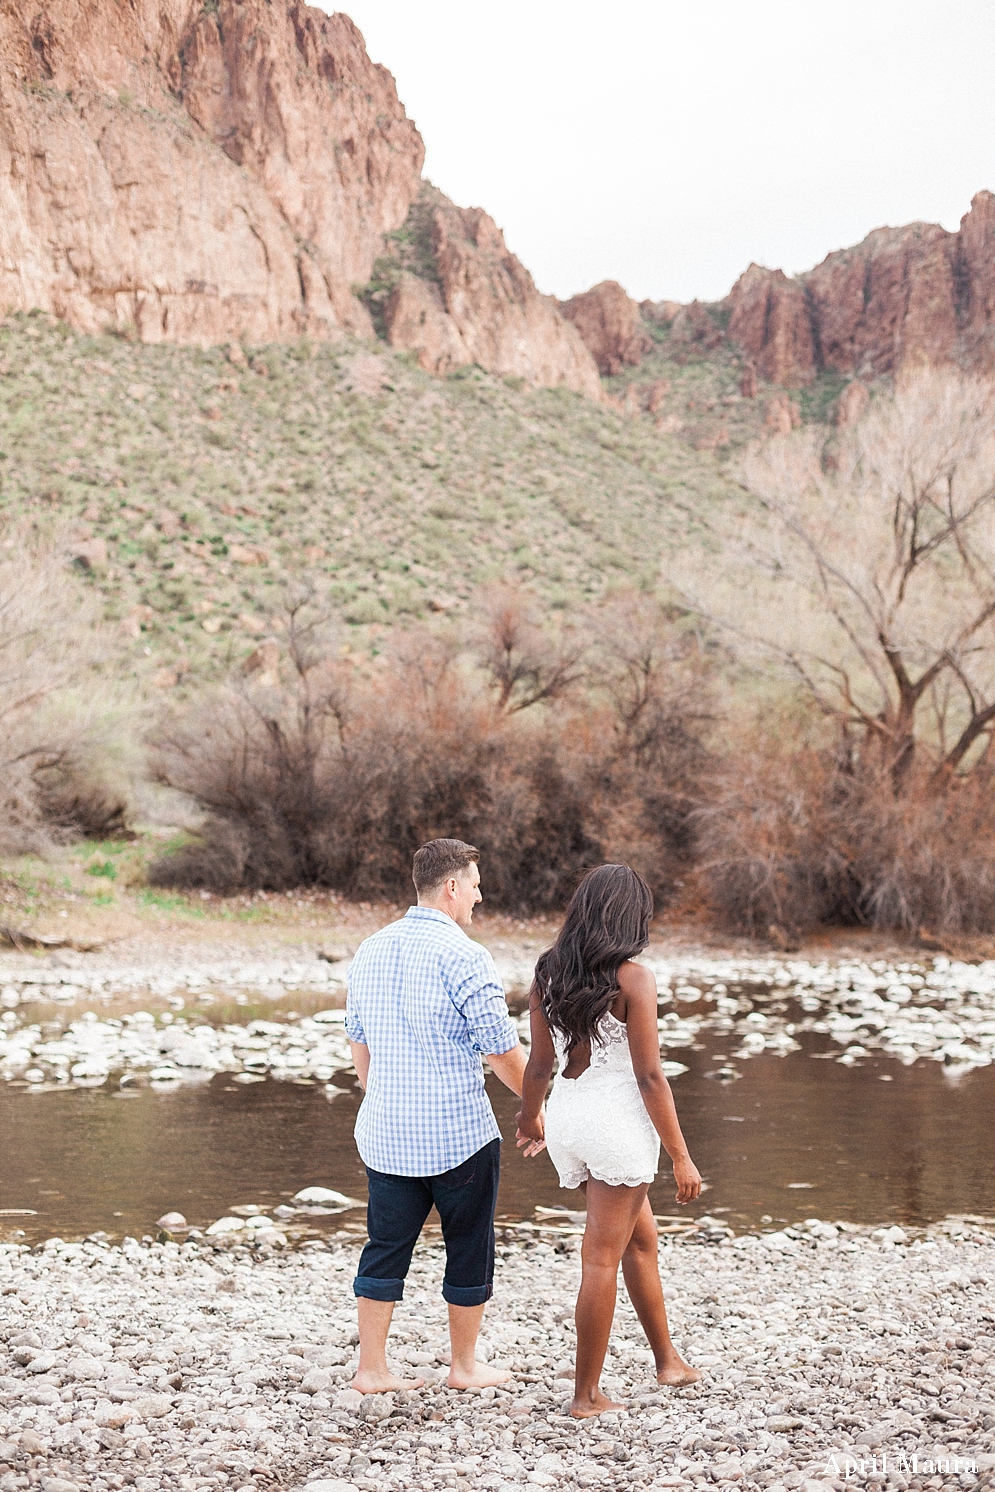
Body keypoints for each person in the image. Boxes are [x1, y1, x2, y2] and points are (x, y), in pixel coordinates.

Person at [345, 837, 545, 1395]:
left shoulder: (370, 948)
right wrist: (534, 1110)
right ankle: (463, 1366)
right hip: (459, 1135)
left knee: (384, 1245)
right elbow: (502, 1049)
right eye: (476, 887)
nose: (479, 898)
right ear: (452, 888)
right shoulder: (465, 955)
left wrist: (378, 1095)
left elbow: (358, 1040)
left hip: (386, 1134)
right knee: (469, 1245)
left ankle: (372, 1369)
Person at [516, 863, 702, 1418]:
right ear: (629, 918)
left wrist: (530, 1120)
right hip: (617, 1126)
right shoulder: (633, 979)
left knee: (639, 1240)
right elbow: (649, 1077)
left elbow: (540, 1064)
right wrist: (681, 1156)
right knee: (600, 1258)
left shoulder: (547, 972)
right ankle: (586, 1394)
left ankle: (667, 1360)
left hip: (571, 1120)